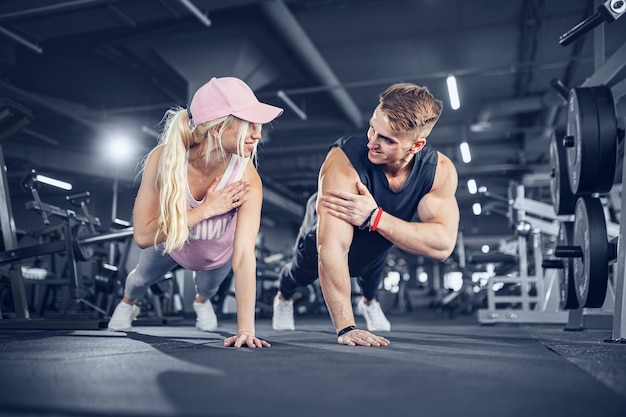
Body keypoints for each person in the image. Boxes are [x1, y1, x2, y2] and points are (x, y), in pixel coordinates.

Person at [272, 82, 459, 347]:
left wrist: (375, 217)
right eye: (372, 127)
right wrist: (346, 326)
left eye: (387, 139)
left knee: (373, 270)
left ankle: (369, 302)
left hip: (377, 236)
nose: (372, 141)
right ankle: (283, 297)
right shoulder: (344, 163)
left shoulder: (438, 170)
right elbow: (332, 247)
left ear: (416, 146)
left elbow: (443, 245)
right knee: (299, 273)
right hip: (322, 236)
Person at [108, 76, 283, 349]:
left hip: (214, 255)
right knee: (140, 279)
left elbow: (245, 255)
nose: (258, 134)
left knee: (208, 289)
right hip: (171, 243)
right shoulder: (164, 158)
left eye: (258, 124)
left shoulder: (248, 177)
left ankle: (201, 302)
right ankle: (127, 304)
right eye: (248, 124)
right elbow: (143, 234)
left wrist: (246, 329)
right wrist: (205, 210)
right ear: (216, 129)